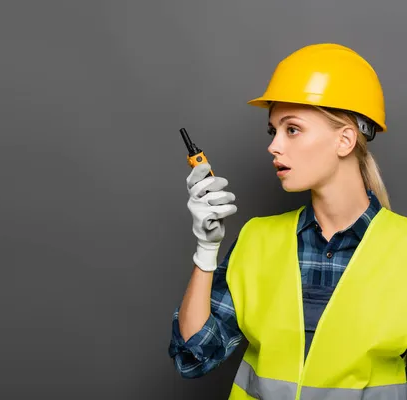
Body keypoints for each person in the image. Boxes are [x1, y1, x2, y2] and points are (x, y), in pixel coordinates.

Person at [168, 43, 407, 399]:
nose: (274, 146)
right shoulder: (257, 240)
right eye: (273, 131)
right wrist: (206, 251)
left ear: (345, 139)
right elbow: (194, 355)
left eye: (292, 129)